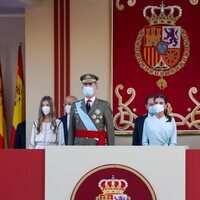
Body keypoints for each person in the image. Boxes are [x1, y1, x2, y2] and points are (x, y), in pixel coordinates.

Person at [68, 73, 115, 145]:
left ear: (96, 87)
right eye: (85, 84)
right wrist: (69, 149)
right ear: (82, 88)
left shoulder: (104, 105)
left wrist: (110, 149)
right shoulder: (75, 106)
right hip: (79, 146)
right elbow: (71, 130)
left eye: (90, 84)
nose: (87, 87)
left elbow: (110, 130)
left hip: (97, 146)